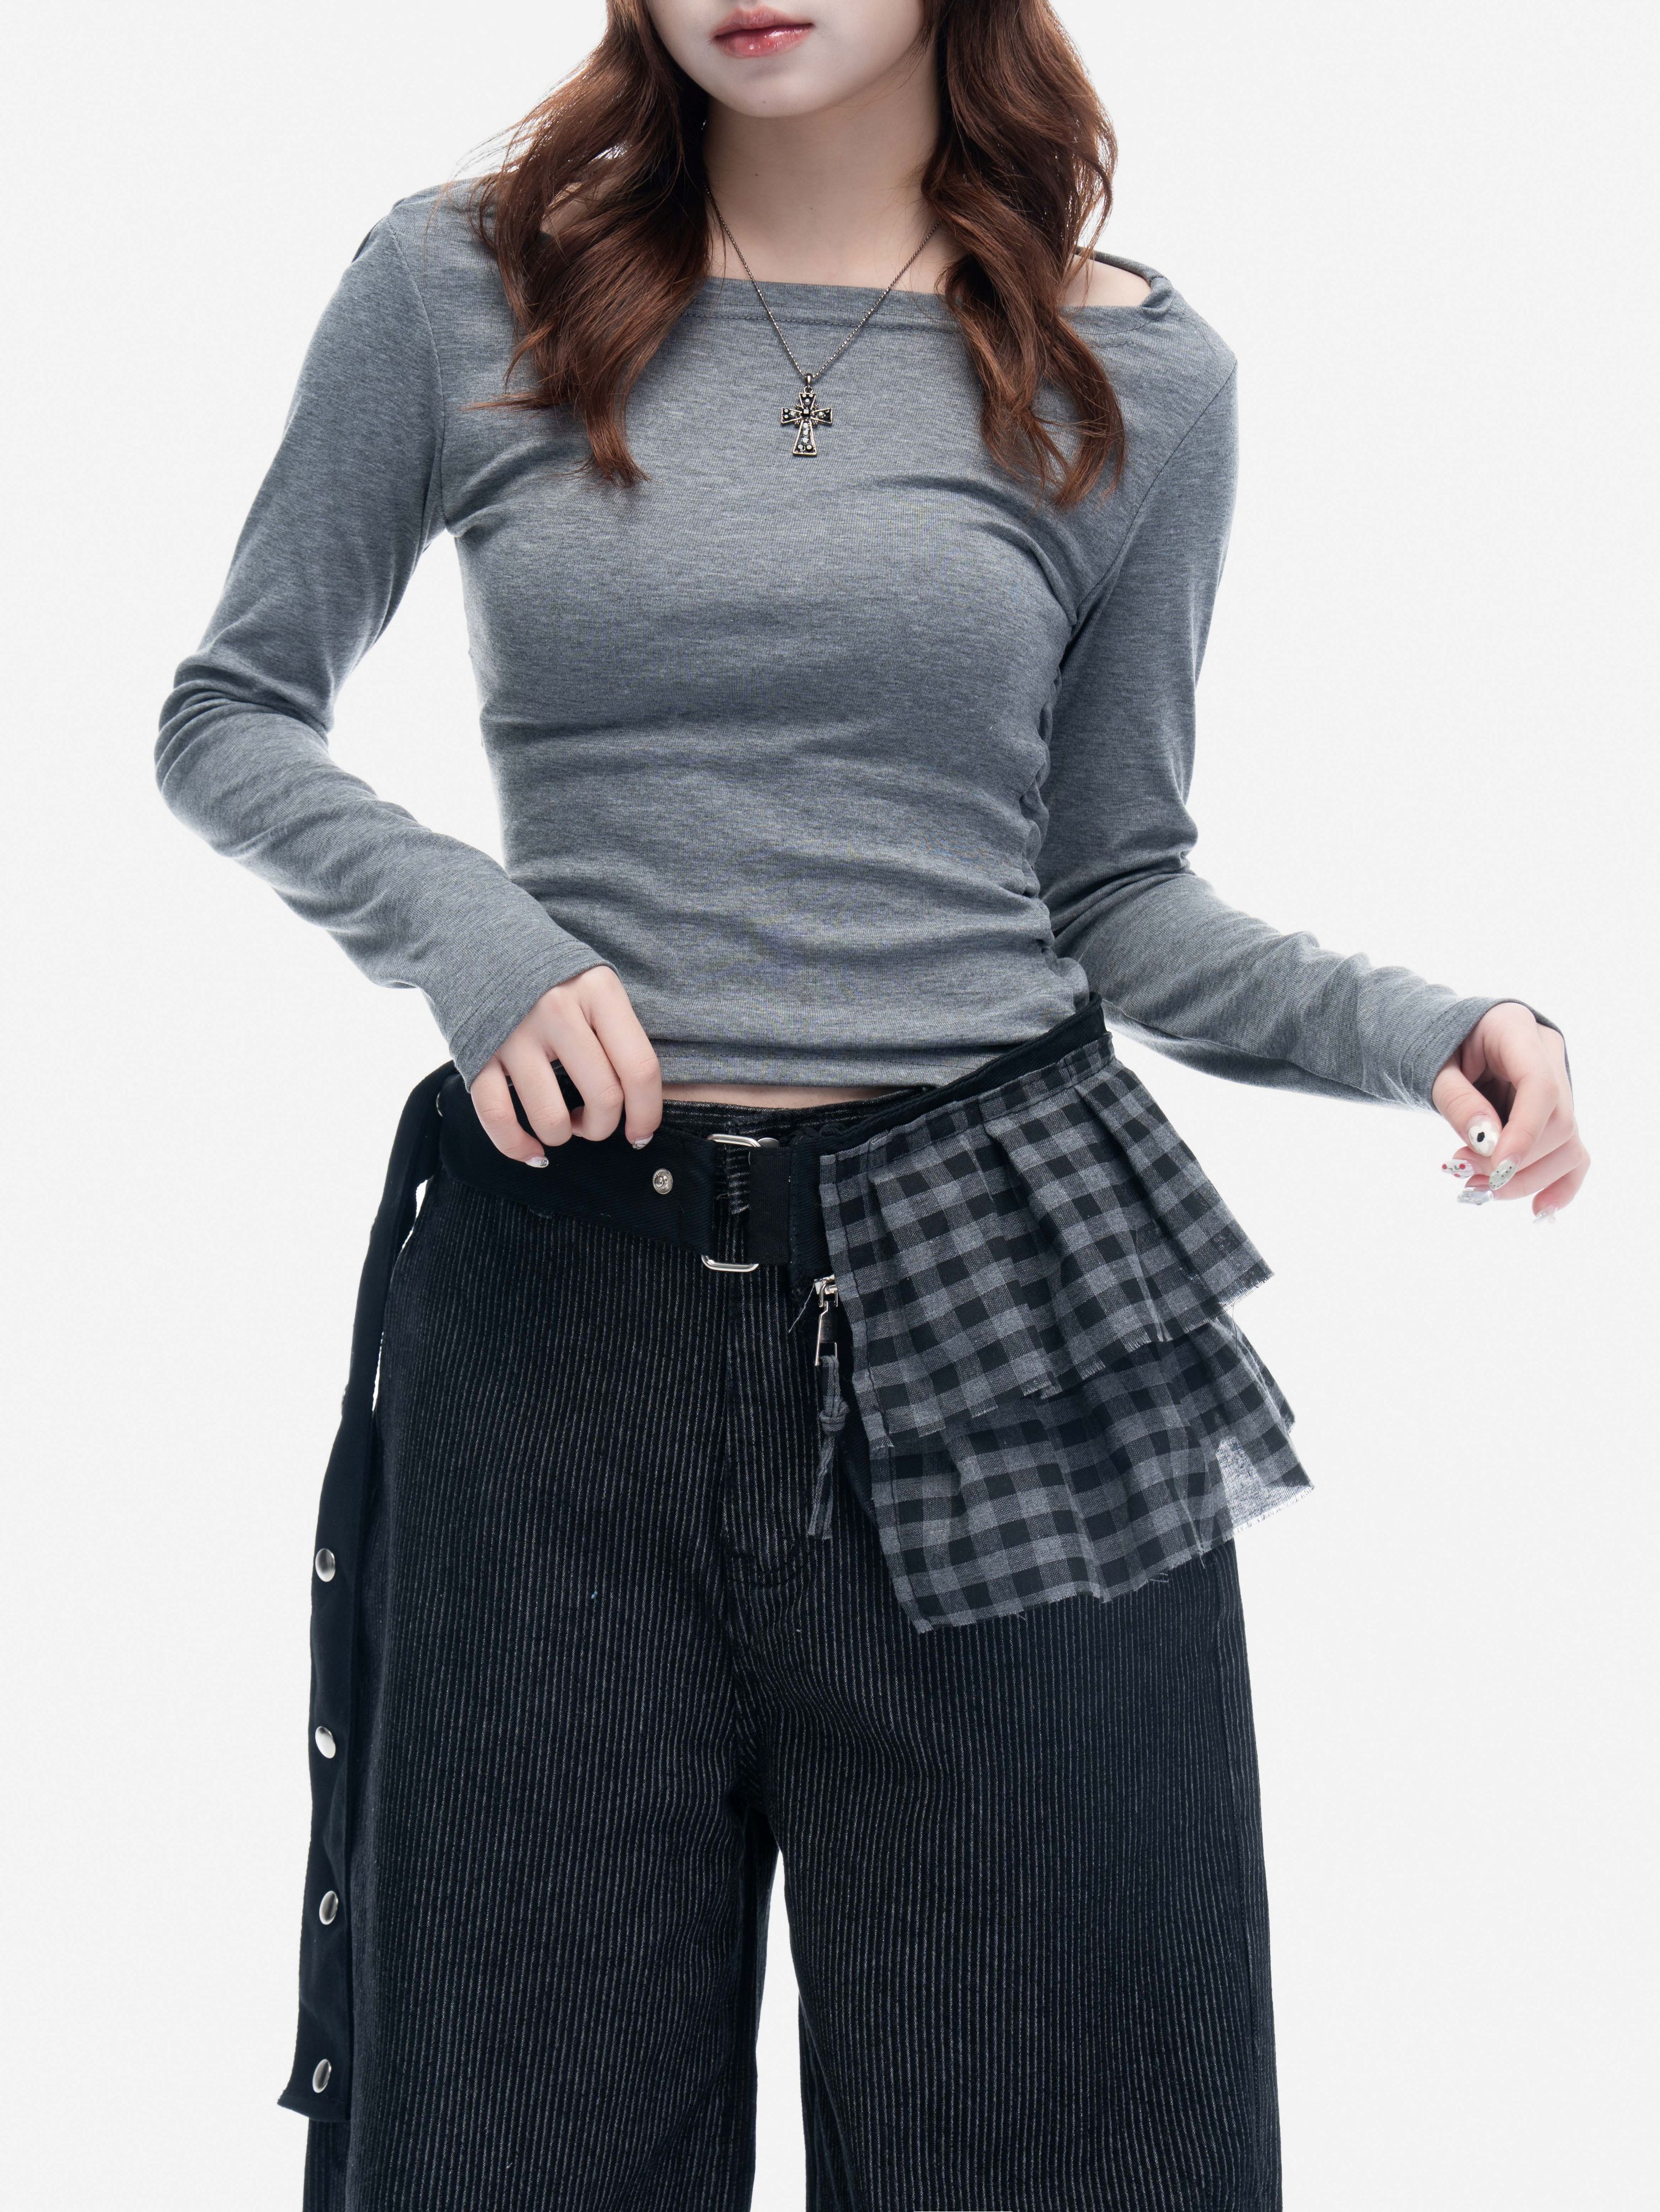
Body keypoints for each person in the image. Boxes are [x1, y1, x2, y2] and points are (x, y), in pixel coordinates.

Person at [154, 3, 1586, 2207]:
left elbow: (1115, 887)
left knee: (1061, 2139)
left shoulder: (1139, 374)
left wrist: (1429, 1024)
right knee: (511, 2133)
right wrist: (473, 932)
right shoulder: (461, 283)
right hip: (563, 1306)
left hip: (1005, 1294)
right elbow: (232, 715)